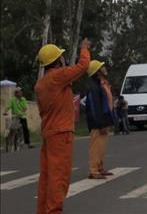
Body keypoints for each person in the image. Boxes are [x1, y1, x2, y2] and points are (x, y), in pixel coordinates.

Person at [35, 38, 91, 214]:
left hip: (49, 133)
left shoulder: (40, 84)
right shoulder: (58, 76)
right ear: (57, 61)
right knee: (59, 177)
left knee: (47, 177)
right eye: (61, 57)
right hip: (61, 133)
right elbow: (83, 66)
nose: (64, 59)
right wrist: (84, 49)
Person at [84, 60, 116, 179]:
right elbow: (94, 108)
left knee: (101, 147)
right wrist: (100, 123)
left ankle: (100, 168)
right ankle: (94, 170)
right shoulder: (93, 87)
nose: (105, 68)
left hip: (103, 121)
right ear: (97, 72)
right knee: (96, 147)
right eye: (102, 67)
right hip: (97, 123)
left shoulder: (101, 84)